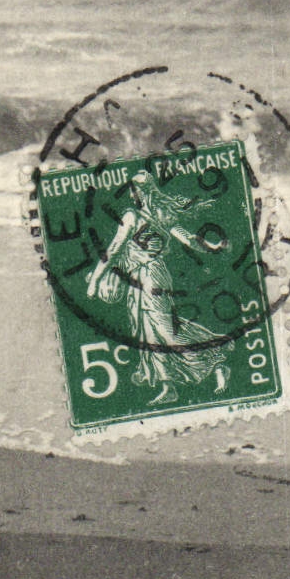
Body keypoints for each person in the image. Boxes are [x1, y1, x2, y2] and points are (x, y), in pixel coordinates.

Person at [85, 171, 230, 404]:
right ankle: (168, 386)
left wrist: (94, 282)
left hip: (149, 276)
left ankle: (214, 363)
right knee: (148, 332)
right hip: (145, 276)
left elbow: (113, 251)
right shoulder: (163, 214)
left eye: (134, 190)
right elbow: (190, 240)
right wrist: (212, 247)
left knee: (165, 330)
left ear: (136, 192)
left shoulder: (132, 217)